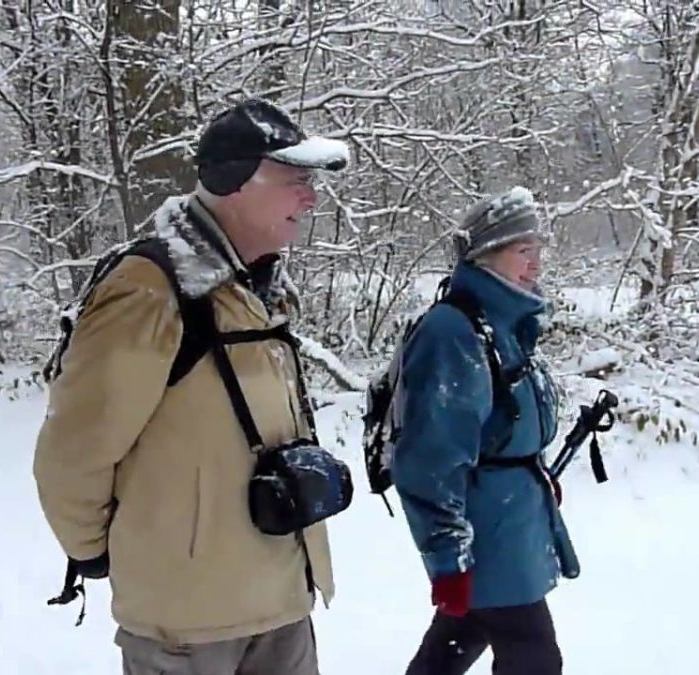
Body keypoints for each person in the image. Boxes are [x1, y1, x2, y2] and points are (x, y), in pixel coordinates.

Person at [33, 98, 349, 675]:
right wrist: (111, 553)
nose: (310, 198)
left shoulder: (258, 289)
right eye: (295, 181)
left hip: (279, 601)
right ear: (235, 182)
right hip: (187, 626)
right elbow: (72, 453)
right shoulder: (149, 290)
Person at [390, 186, 578, 675]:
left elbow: (504, 425)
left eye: (539, 250)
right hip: (486, 534)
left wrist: (530, 476)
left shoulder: (503, 325)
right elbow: (429, 458)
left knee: (454, 644)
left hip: (507, 521)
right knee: (534, 657)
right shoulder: (454, 331)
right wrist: (448, 557)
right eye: (523, 251)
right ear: (484, 256)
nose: (536, 264)